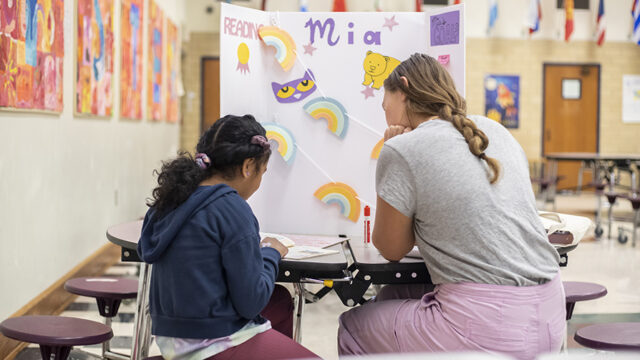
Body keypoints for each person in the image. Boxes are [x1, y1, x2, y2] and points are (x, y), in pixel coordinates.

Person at [338, 54, 565, 360]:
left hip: (487, 326)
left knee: (353, 327)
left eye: (384, 104)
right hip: (551, 313)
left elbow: (391, 248)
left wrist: (390, 153)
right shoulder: (496, 132)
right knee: (391, 295)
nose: (385, 114)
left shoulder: (401, 149)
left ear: (402, 89)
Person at [138, 115, 318, 360]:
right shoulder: (232, 207)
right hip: (213, 342)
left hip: (172, 337)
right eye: (261, 172)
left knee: (279, 301)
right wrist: (270, 252)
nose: (258, 183)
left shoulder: (175, 198)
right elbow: (251, 302)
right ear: (247, 167)